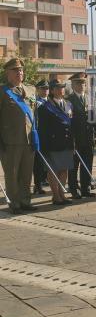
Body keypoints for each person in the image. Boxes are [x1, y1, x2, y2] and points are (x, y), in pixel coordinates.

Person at [0, 58, 39, 213]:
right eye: (15, 70)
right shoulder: (2, 91)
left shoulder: (31, 90)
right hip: (10, 141)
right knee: (12, 174)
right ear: (7, 73)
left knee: (26, 173)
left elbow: (34, 114)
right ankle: (14, 203)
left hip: (29, 139)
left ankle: (25, 201)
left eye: (21, 70)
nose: (19, 73)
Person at [36, 79, 73, 206]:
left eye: (62, 87)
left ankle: (62, 194)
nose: (61, 89)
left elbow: (71, 125)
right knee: (53, 171)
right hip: (52, 144)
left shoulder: (68, 104)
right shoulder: (45, 107)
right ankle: (55, 196)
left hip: (66, 142)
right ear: (51, 90)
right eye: (57, 87)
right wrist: (44, 146)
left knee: (64, 170)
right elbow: (43, 129)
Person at [67, 72, 96, 198]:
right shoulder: (69, 100)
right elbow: (68, 122)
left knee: (87, 164)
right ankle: (74, 189)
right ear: (73, 84)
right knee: (74, 166)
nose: (81, 85)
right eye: (78, 83)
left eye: (83, 83)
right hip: (76, 138)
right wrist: (71, 140)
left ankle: (86, 188)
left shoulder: (90, 99)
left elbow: (94, 119)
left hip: (89, 138)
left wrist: (95, 135)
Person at [32, 79, 49, 195]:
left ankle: (46, 179)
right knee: (38, 163)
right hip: (39, 136)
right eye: (43, 88)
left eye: (47, 88)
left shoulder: (51, 102)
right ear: (37, 90)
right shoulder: (35, 103)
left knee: (48, 161)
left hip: (50, 137)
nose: (45, 91)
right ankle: (37, 185)